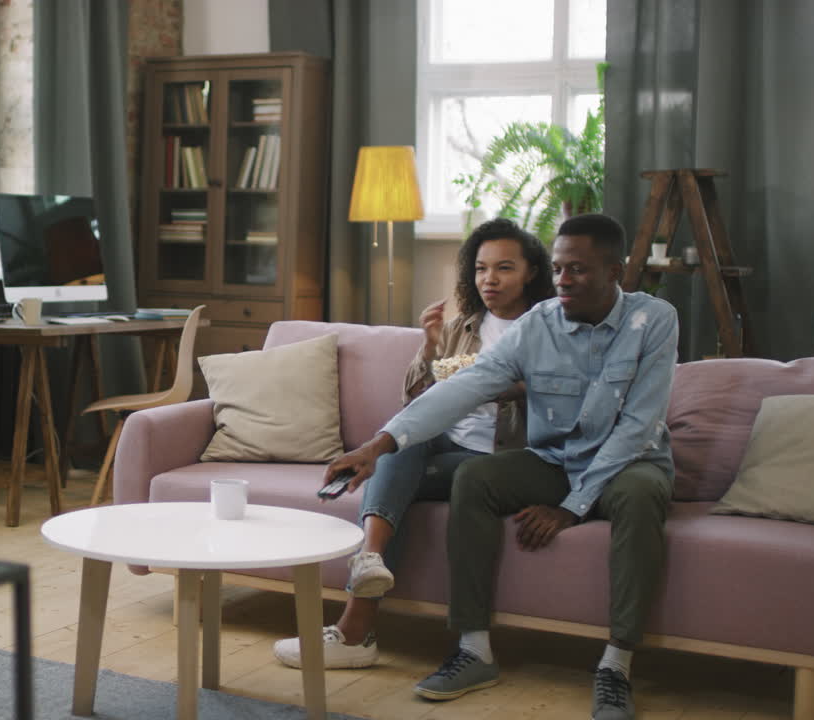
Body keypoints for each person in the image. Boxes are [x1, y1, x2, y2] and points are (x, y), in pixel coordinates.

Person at [322, 214, 678, 720]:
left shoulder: (655, 319)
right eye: (557, 269)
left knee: (642, 496)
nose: (563, 281)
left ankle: (615, 667)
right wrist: (378, 445)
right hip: (557, 460)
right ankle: (474, 649)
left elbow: (638, 426)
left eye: (577, 269)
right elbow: (464, 386)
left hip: (632, 463)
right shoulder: (539, 324)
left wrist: (570, 509)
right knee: (476, 476)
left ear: (615, 271)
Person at [272, 218, 555, 670]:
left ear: (531, 272)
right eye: (481, 269)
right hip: (445, 441)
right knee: (400, 447)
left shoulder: (548, 328)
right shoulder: (465, 325)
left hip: (497, 459)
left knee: (393, 470)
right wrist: (428, 349)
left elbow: (558, 396)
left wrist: (505, 385)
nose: (490, 280)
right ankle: (368, 566)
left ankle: (354, 629)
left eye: (504, 268)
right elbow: (416, 402)